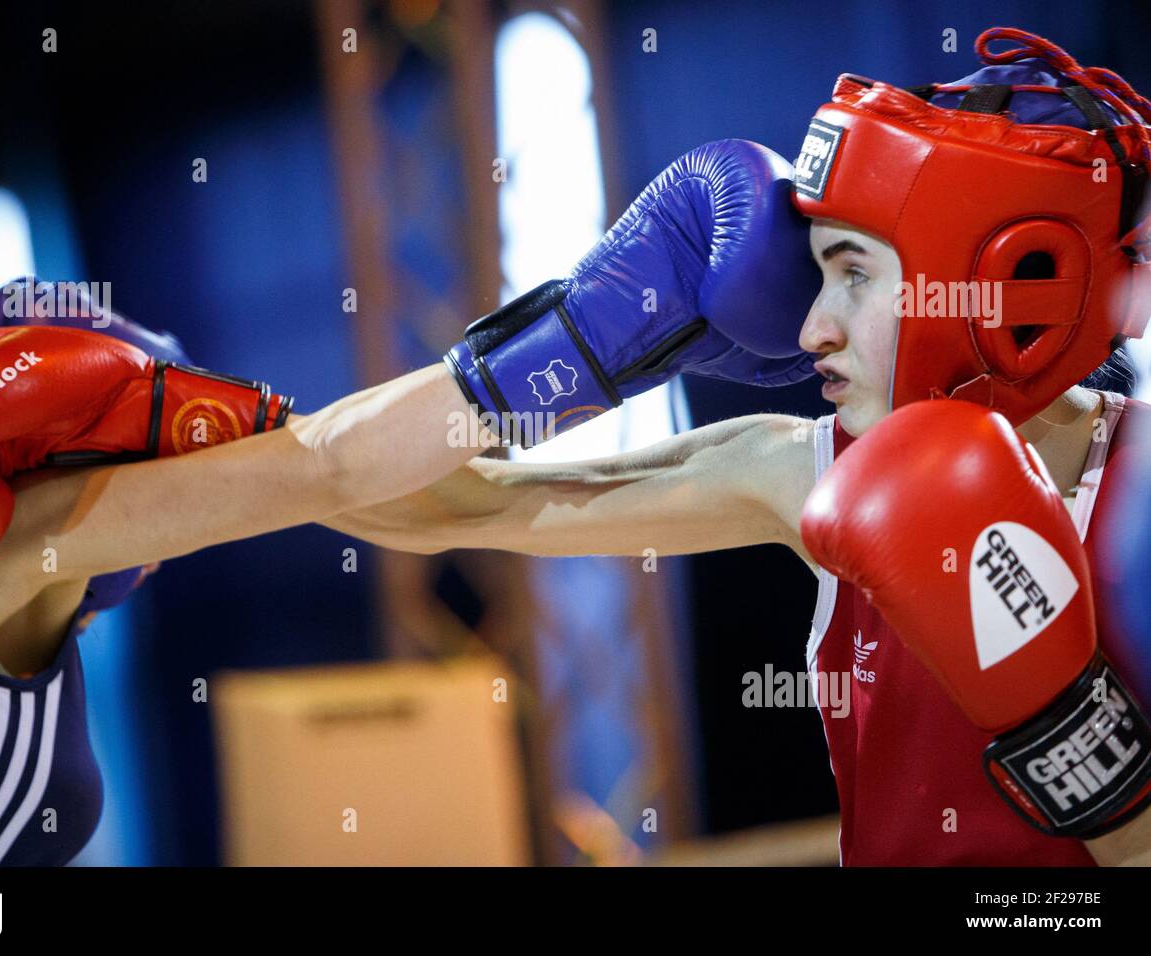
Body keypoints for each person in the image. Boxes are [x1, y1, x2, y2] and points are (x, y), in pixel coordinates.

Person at [0, 139, 816, 865]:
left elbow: (436, 500)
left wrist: (657, 365)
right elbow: (338, 469)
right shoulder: (15, 550)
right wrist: (597, 328)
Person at [328, 28, 1151, 865]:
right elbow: (462, 504)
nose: (809, 329)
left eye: (854, 273)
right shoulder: (806, 470)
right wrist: (253, 438)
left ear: (998, 278)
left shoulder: (1142, 486)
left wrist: (1070, 729)